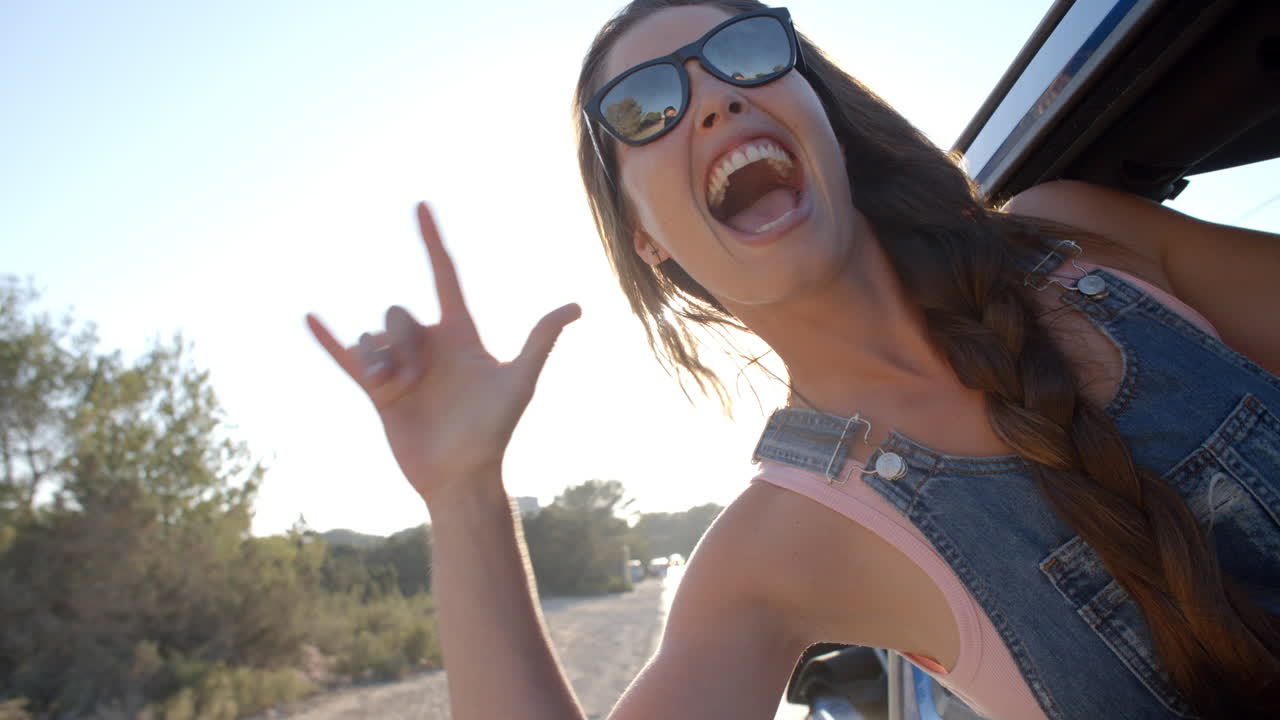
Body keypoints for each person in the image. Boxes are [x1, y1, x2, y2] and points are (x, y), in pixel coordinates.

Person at [305, 1, 1280, 718]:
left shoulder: (1075, 239)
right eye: (642, 107)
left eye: (741, 51)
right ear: (646, 239)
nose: (714, 100)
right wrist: (466, 493)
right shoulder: (772, 554)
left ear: (818, 113)